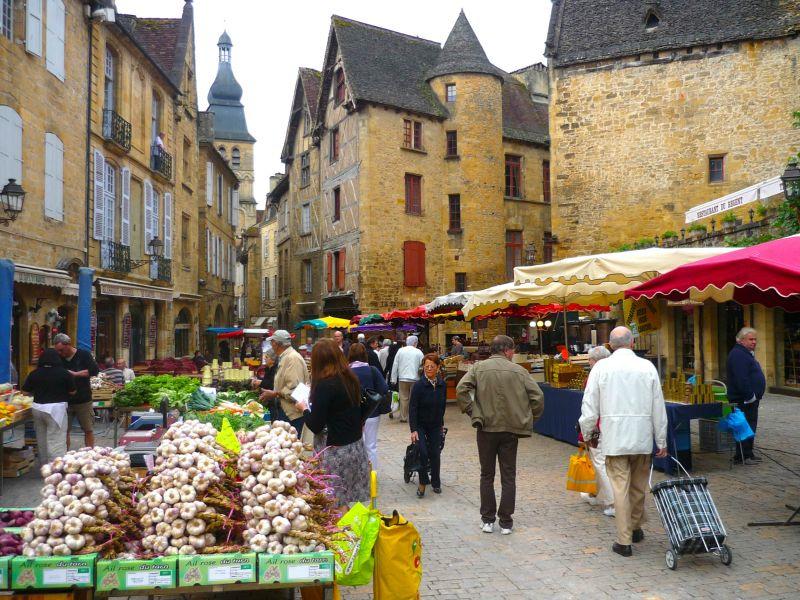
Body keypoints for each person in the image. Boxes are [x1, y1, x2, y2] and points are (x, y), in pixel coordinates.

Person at [580, 326, 668, 558]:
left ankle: (624, 539)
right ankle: (635, 527)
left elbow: (589, 405)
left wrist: (587, 432)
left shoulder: (601, 368)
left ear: (610, 345)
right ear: (631, 344)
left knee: (620, 488)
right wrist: (661, 439)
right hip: (641, 437)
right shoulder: (647, 367)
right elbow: (658, 406)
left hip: (615, 437)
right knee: (638, 487)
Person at [457, 335, 544, 535]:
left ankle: (487, 519)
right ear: (507, 350)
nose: (514, 354)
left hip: (486, 427)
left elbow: (462, 389)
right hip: (510, 429)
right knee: (508, 475)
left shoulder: (479, 368)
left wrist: (473, 412)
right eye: (513, 350)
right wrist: (528, 418)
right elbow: (537, 397)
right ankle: (506, 521)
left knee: (486, 474)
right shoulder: (519, 371)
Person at [295, 339, 371, 505]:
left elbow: (316, 425)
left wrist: (304, 408)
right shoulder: (349, 378)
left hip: (336, 452)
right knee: (346, 500)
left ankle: (349, 531)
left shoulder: (325, 385)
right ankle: (353, 529)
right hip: (355, 447)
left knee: (335, 503)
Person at [22, 348, 76, 465]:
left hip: (37, 409)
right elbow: (72, 391)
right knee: (56, 439)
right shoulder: (64, 373)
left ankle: (44, 465)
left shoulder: (34, 373)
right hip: (56, 410)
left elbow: (25, 392)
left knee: (41, 439)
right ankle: (56, 467)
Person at [579, 346, 615, 517]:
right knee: (601, 462)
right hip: (616, 425)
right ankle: (592, 493)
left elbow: (590, 407)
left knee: (600, 462)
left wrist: (587, 432)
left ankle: (613, 503)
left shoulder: (595, 376)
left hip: (599, 426)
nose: (589, 363)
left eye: (590, 360)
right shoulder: (617, 372)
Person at [726, 327, 766, 464]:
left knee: (749, 425)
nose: (754, 342)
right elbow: (741, 378)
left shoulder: (745, 353)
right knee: (744, 425)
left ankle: (747, 453)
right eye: (751, 339)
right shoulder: (738, 354)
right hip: (744, 399)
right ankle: (744, 455)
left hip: (749, 399)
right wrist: (750, 396)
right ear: (741, 340)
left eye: (755, 339)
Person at [53, 333, 99, 450]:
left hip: (83, 398)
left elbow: (94, 371)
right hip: (64, 400)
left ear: (68, 345)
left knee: (88, 429)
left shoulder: (83, 355)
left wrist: (75, 374)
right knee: (64, 431)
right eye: (57, 351)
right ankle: (65, 455)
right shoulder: (58, 358)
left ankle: (89, 454)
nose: (60, 353)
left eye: (61, 350)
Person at [409, 354, 447, 497]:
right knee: (423, 453)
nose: (429, 369)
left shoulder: (442, 385)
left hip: (435, 424)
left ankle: (436, 482)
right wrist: (413, 429)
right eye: (426, 366)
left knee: (435, 453)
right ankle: (423, 482)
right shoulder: (419, 386)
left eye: (432, 366)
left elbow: (442, 406)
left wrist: (441, 424)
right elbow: (412, 408)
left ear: (437, 368)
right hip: (420, 424)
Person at [348, 343, 389, 470]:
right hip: (372, 413)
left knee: (354, 444)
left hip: (352, 414)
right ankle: (372, 474)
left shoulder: (346, 372)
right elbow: (384, 388)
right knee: (371, 446)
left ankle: (357, 472)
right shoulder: (373, 370)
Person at [260, 330, 309, 433]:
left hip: (292, 415)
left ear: (276, 344)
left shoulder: (292, 358)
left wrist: (275, 394)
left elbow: (294, 390)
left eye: (272, 342)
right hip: (287, 412)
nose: (271, 345)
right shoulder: (286, 357)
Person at [390, 335, 424, 423]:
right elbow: (423, 365)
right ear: (415, 343)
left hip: (402, 378)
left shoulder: (400, 351)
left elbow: (395, 365)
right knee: (414, 398)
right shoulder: (419, 352)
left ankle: (403, 417)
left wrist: (393, 379)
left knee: (403, 398)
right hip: (415, 378)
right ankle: (413, 416)